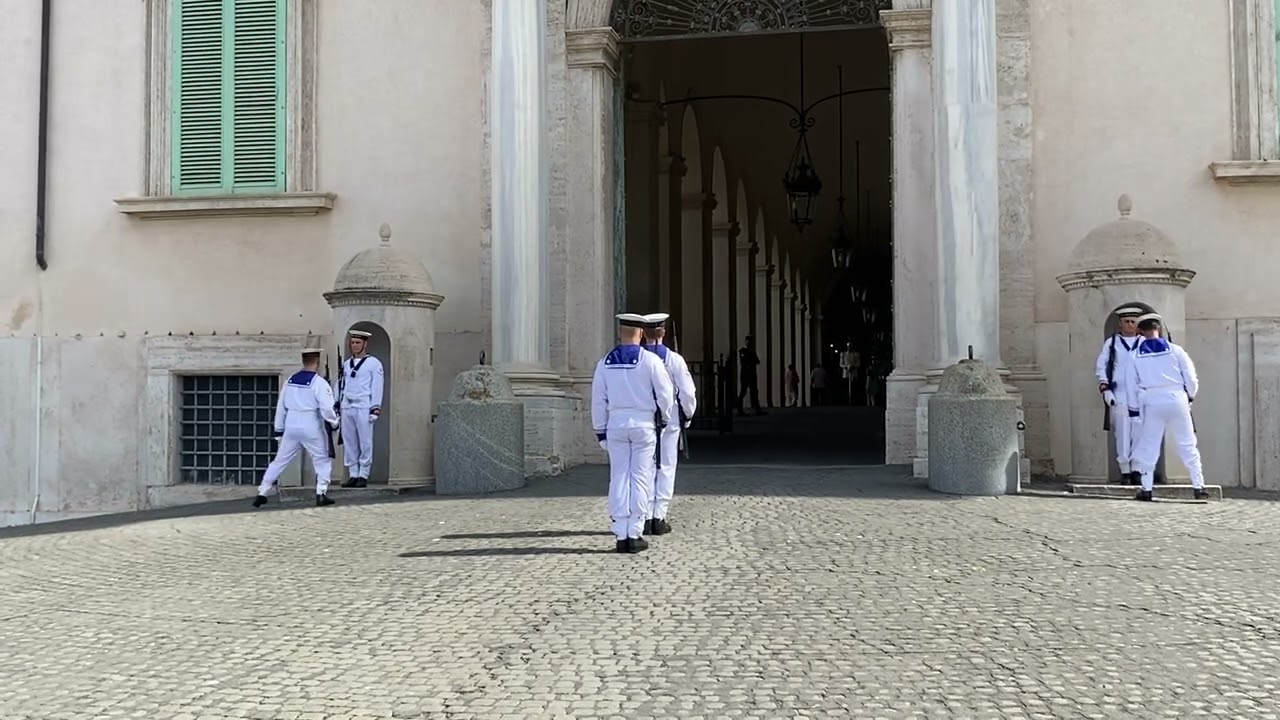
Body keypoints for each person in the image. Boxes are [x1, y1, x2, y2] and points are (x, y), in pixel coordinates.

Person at [592, 313, 675, 553]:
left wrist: (600, 430)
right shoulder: (650, 361)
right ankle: (635, 532)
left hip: (616, 424)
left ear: (620, 333)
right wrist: (665, 417)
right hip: (643, 424)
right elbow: (665, 394)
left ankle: (620, 532)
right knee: (640, 477)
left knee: (618, 477)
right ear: (640, 333)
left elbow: (598, 400)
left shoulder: (604, 362)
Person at [1129, 313, 1209, 502]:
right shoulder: (1176, 350)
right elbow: (1191, 378)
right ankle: (1198, 485)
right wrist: (1189, 396)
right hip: (1177, 397)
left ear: (1141, 331)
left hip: (1152, 399)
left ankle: (1147, 488)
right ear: (1159, 328)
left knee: (1150, 444)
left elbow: (1131, 385)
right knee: (1187, 443)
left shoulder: (1134, 356)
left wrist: (1134, 410)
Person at [252, 348, 341, 508]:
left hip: (291, 425)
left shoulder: (289, 381)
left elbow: (281, 407)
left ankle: (262, 491)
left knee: (279, 460)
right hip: (311, 424)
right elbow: (327, 409)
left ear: (303, 361)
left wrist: (279, 430)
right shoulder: (319, 383)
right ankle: (321, 492)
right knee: (322, 459)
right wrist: (335, 422)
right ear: (317, 362)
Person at [639, 312, 697, 536]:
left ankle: (643, 515)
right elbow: (687, 392)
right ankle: (658, 516)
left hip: (644, 418)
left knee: (644, 468)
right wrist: (687, 415)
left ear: (644, 334)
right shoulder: (674, 360)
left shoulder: (640, 359)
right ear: (663, 333)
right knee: (665, 467)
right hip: (670, 420)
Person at [1095, 306, 1145, 483]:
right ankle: (1125, 470)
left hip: (1140, 394)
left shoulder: (1144, 343)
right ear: (1120, 323)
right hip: (1120, 393)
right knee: (1122, 432)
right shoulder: (1113, 342)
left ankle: (1137, 468)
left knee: (1140, 431)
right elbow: (1102, 365)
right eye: (1126, 322)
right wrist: (1106, 389)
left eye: (1133, 321)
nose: (1130, 325)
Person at [338, 329, 384, 488]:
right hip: (347, 405)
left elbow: (377, 386)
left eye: (358, 343)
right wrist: (338, 403)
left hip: (364, 405)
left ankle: (364, 474)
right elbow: (341, 385)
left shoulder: (374, 363)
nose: (355, 346)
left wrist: (375, 407)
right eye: (352, 343)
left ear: (365, 344)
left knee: (365, 442)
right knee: (349, 441)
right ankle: (353, 474)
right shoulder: (345, 364)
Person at [736, 335, 764, 415]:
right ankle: (740, 409)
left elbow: (757, 361)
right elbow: (745, 362)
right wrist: (751, 361)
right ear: (745, 341)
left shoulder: (751, 352)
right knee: (743, 391)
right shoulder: (742, 351)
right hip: (746, 374)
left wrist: (750, 362)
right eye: (748, 341)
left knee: (754, 391)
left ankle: (757, 408)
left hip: (751, 374)